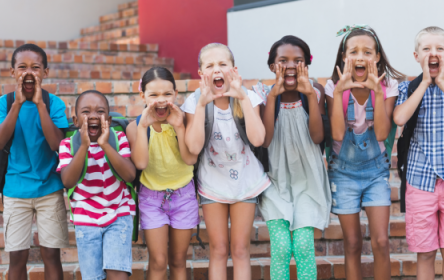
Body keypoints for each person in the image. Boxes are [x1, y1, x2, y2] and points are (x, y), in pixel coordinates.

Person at [182, 43, 270, 280]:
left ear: (233, 69)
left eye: (223, 64)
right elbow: (193, 146)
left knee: (240, 249)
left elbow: (258, 139)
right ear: (202, 74)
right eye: (210, 66)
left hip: (246, 178)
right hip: (213, 181)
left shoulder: (248, 96)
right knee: (219, 249)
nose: (217, 70)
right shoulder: (194, 101)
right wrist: (201, 104)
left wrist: (242, 96)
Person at [326, 25, 403, 280]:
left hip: (375, 172)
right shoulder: (333, 86)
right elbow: (337, 134)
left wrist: (376, 93)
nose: (360, 57)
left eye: (367, 52)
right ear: (344, 57)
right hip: (343, 173)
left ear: (377, 56)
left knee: (381, 241)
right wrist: (338, 93)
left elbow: (381, 133)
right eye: (354, 51)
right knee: (353, 243)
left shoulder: (388, 86)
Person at [253, 35, 331, 280]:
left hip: (308, 182)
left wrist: (309, 95)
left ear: (306, 66)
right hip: (275, 183)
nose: (290, 66)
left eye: (298, 61)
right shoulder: (262, 95)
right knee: (282, 248)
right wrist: (273, 97)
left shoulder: (315, 92)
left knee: (304, 248)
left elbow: (318, 138)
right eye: (283, 60)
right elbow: (264, 140)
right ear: (272, 65)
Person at [0, 44, 69, 280]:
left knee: (51, 255)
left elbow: (57, 144)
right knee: (17, 257)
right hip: (16, 189)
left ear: (45, 72)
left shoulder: (53, 103)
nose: (28, 72)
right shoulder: (4, 104)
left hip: (49, 189)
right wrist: (17, 104)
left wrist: (39, 104)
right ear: (12, 72)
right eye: (22, 67)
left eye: (35, 67)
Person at [394, 26, 444, 280]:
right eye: (426, 49)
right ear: (416, 56)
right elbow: (400, 117)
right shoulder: (408, 88)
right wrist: (424, 82)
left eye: (439, 48)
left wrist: (442, 83)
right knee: (425, 253)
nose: (433, 53)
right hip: (420, 181)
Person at [126, 67, 199, 280]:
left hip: (184, 196)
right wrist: (142, 128)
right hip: (151, 199)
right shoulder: (135, 127)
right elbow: (140, 163)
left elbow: (190, 159)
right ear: (143, 96)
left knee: (178, 260)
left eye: (167, 94)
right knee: (158, 261)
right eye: (154, 95)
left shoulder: (184, 120)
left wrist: (179, 128)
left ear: (175, 94)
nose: (161, 100)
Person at [57, 90, 136, 280]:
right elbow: (68, 181)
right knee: (92, 277)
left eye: (100, 111)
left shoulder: (118, 139)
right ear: (76, 121)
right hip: (86, 218)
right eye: (86, 112)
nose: (93, 115)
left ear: (107, 119)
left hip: (119, 213)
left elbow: (130, 175)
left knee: (118, 273)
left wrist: (105, 145)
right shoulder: (68, 145)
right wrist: (83, 146)